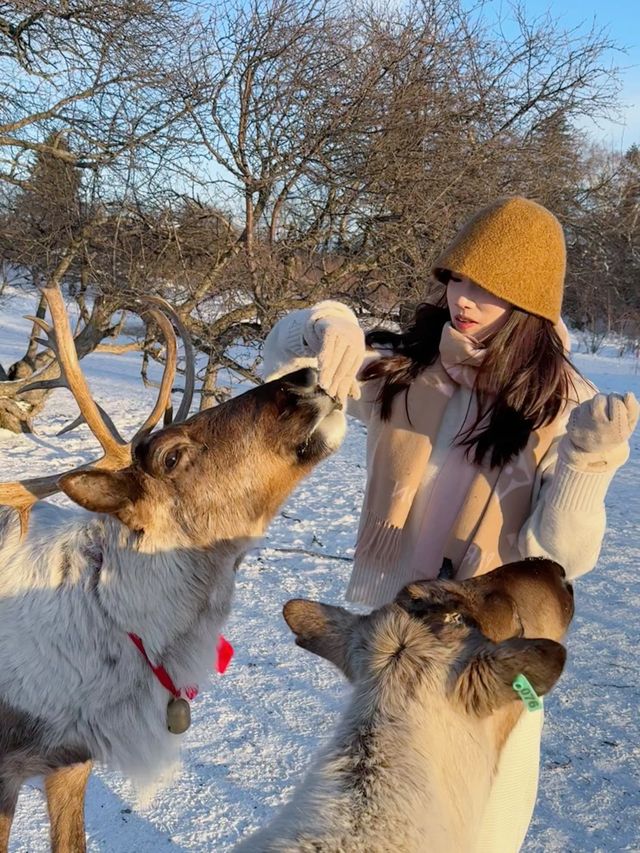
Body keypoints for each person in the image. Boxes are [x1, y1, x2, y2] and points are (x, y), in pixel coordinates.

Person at [261, 196, 638, 851]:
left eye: (488, 289)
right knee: (380, 805)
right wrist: (327, 324)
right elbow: (278, 363)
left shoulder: (563, 403)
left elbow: (560, 558)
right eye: (460, 278)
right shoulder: (408, 366)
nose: (464, 299)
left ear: (528, 304)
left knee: (486, 821)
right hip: (401, 636)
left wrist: (588, 461)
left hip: (496, 650)